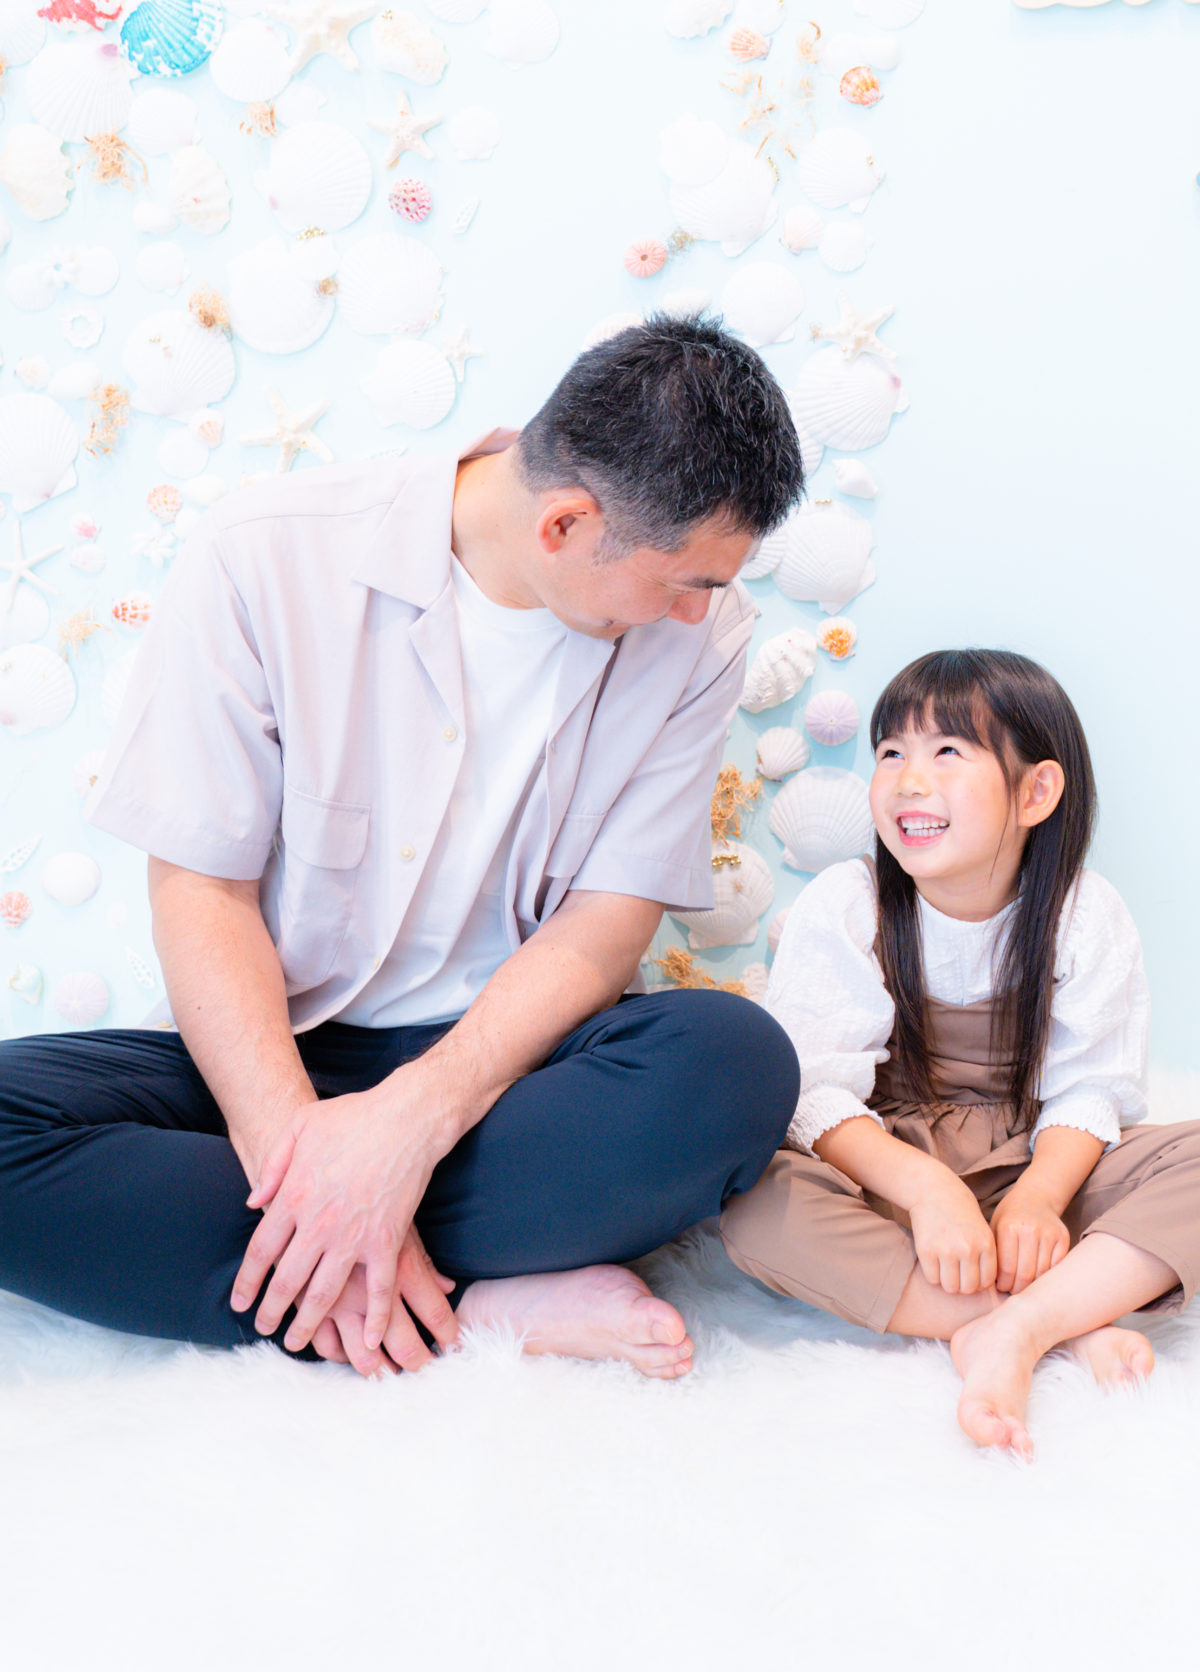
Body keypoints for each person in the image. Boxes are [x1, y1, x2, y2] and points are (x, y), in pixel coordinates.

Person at [0, 316, 803, 1380]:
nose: (697, 611)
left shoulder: (704, 633)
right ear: (565, 524)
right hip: (277, 1039)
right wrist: (306, 1158)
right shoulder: (262, 554)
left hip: (509, 1068)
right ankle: (466, 1304)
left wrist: (406, 1129)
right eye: (682, 581)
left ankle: (331, 1265)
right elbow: (202, 889)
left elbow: (602, 929)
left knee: (734, 1064)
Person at [720, 648, 1200, 1459]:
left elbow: (1090, 1090)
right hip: (889, 1173)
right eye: (891, 752)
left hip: (1037, 1163)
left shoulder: (1079, 911)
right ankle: (1049, 1324)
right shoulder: (847, 902)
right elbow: (815, 1091)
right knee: (751, 1198)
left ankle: (1019, 1325)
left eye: (947, 752)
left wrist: (1036, 1199)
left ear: (1034, 793)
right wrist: (926, 1190)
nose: (908, 780)